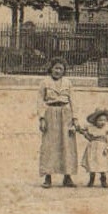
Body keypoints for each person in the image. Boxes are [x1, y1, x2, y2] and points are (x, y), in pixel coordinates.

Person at [37, 58, 79, 188]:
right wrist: (42, 119)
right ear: (51, 68)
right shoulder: (44, 82)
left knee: (67, 145)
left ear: (64, 70)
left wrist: (75, 119)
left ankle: (68, 177)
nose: (58, 71)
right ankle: (47, 177)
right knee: (49, 145)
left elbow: (73, 101)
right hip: (50, 114)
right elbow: (40, 102)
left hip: (66, 115)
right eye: (56, 68)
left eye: (61, 68)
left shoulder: (68, 82)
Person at [79, 107, 108, 188]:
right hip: (92, 148)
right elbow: (86, 135)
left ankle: (103, 179)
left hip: (101, 149)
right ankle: (91, 179)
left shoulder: (106, 130)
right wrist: (84, 133)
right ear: (95, 121)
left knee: (102, 164)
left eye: (104, 120)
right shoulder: (92, 129)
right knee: (92, 163)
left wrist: (107, 148)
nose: (102, 122)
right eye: (100, 120)